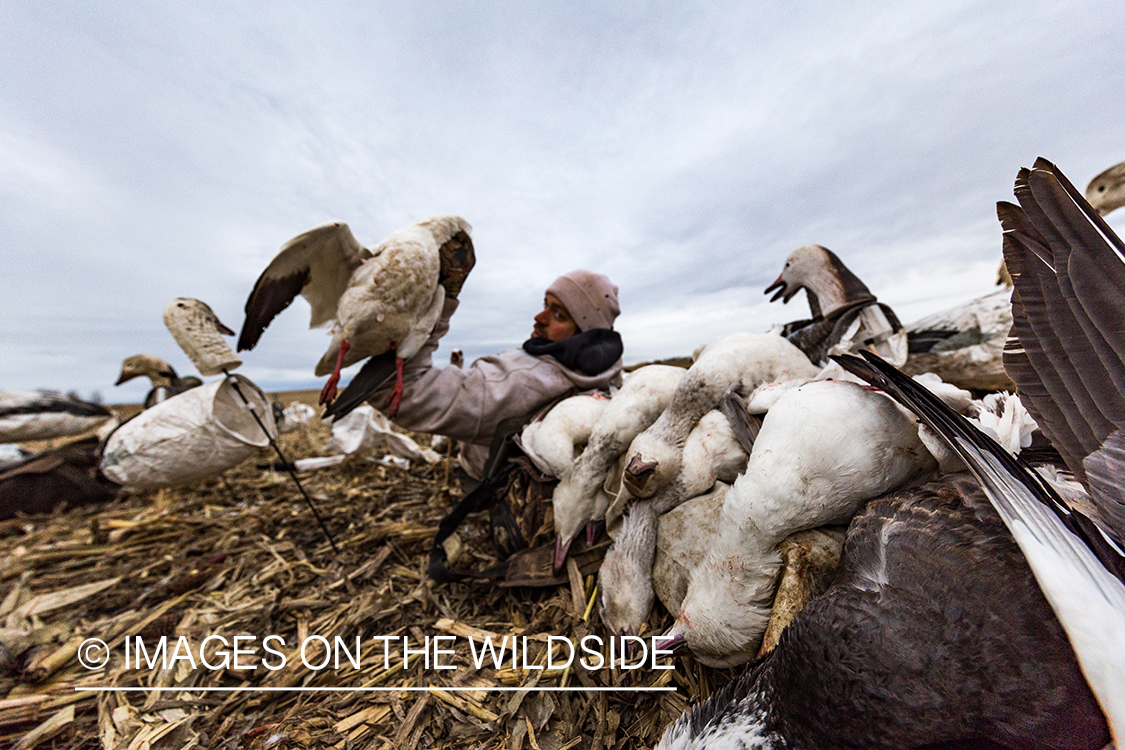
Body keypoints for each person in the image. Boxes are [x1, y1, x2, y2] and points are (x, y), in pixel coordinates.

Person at [367, 250, 624, 480]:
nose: (539, 317)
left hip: (485, 483)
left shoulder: (520, 382)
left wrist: (436, 305)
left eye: (559, 314)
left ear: (584, 333)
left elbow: (394, 388)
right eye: (545, 305)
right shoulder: (606, 372)